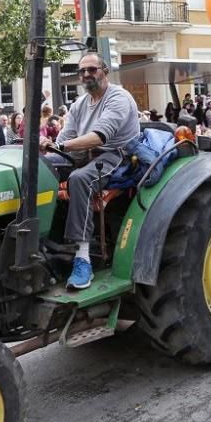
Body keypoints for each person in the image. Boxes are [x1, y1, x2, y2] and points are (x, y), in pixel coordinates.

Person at [39, 52, 139, 290]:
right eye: (82, 71)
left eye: (92, 69)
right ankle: (41, 243)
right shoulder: (79, 104)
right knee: (41, 169)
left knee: (79, 178)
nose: (86, 74)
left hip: (116, 155)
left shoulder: (118, 98)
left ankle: (83, 259)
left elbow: (99, 137)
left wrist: (59, 145)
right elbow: (65, 138)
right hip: (83, 155)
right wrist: (46, 152)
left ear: (105, 71)